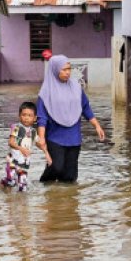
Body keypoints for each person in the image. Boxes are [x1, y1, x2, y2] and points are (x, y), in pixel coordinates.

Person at [36, 55, 105, 183]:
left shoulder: (76, 87)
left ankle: (67, 200)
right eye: (64, 69)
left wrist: (97, 126)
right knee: (56, 167)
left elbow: (85, 107)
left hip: (74, 136)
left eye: (69, 68)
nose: (68, 72)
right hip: (54, 136)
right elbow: (41, 117)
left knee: (70, 176)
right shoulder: (45, 93)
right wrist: (41, 138)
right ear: (55, 70)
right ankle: (45, 188)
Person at [0, 102, 48, 191]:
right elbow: (11, 142)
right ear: (19, 116)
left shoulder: (33, 131)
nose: (26, 118)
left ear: (34, 118)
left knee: (23, 187)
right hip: (12, 161)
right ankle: (2, 183)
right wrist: (21, 149)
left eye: (29, 115)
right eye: (24, 115)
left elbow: (39, 143)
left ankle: (22, 203)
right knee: (11, 182)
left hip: (23, 163)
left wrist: (47, 155)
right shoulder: (16, 128)